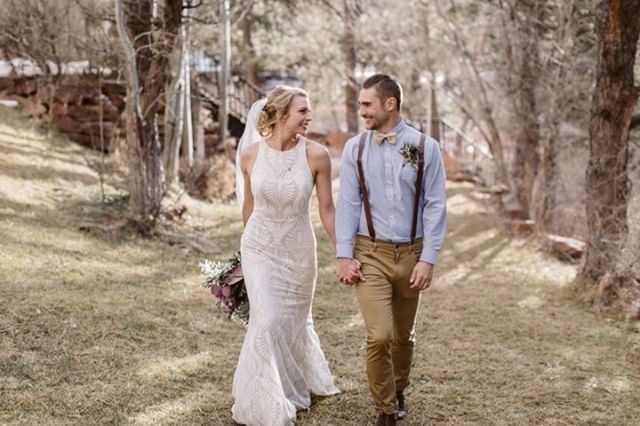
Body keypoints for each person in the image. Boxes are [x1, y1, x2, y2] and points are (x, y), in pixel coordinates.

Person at [335, 74, 447, 426]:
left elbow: (435, 204)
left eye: (367, 104)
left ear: (390, 104)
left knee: (403, 336)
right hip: (370, 253)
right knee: (379, 334)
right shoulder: (355, 148)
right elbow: (349, 204)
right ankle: (385, 408)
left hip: (412, 253)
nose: (361, 111)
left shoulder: (425, 147)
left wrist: (428, 258)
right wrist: (343, 254)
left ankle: (399, 390)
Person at [232, 85, 340, 425]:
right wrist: (242, 260)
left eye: (309, 111)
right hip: (258, 248)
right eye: (303, 111)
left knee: (290, 322)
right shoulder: (249, 154)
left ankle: (293, 383)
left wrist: (344, 253)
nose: (309, 117)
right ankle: (264, 401)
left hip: (299, 251)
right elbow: (248, 209)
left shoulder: (317, 155)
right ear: (280, 115)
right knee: (267, 321)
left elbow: (327, 210)